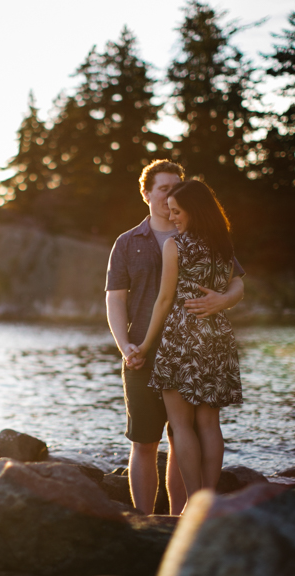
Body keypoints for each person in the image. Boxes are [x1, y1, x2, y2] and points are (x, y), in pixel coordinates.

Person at [105, 160, 244, 515]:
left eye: (176, 188)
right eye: (164, 189)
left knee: (183, 433)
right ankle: (145, 520)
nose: (170, 195)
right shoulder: (126, 243)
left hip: (187, 348)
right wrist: (127, 347)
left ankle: (180, 517)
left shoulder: (200, 234)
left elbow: (237, 280)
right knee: (145, 441)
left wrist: (223, 300)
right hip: (143, 350)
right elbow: (115, 299)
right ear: (147, 193)